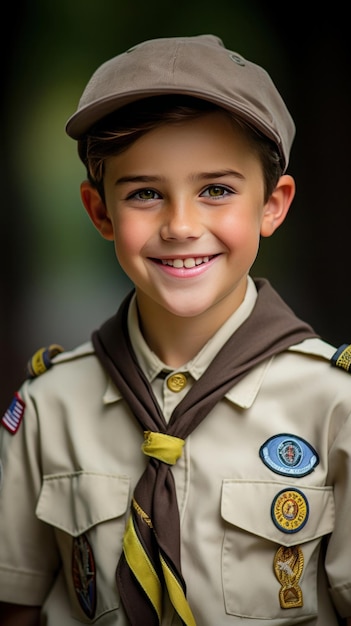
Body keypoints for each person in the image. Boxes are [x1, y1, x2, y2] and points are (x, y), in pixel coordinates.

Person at [0, 34, 350, 626]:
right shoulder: (48, 407)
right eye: (145, 193)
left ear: (273, 203)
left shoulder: (334, 405)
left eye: (216, 190)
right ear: (100, 212)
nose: (182, 225)